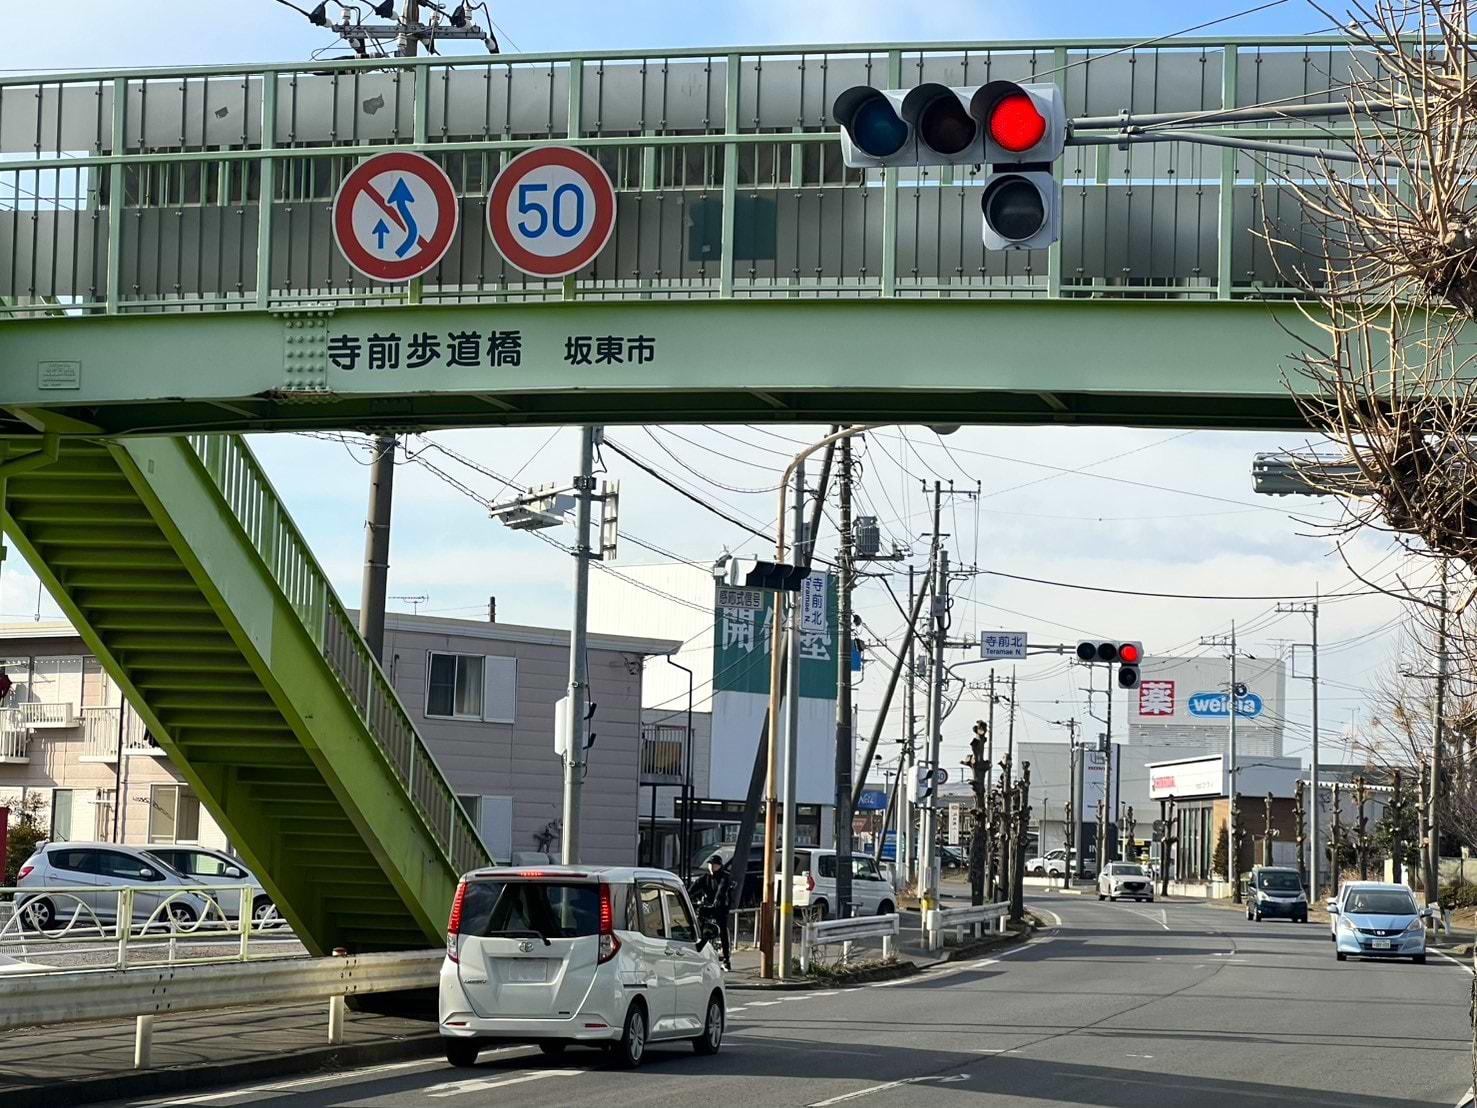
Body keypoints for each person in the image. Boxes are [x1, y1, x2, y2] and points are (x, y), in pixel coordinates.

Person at [688, 853, 732, 971]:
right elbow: (693, 889)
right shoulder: (705, 878)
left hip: (720, 907)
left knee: (722, 929)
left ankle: (726, 959)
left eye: (715, 865)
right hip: (707, 906)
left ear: (719, 866)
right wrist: (687, 898)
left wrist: (717, 901)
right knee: (699, 921)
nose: (712, 867)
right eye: (710, 864)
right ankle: (698, 947)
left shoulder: (724, 877)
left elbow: (721, 891)